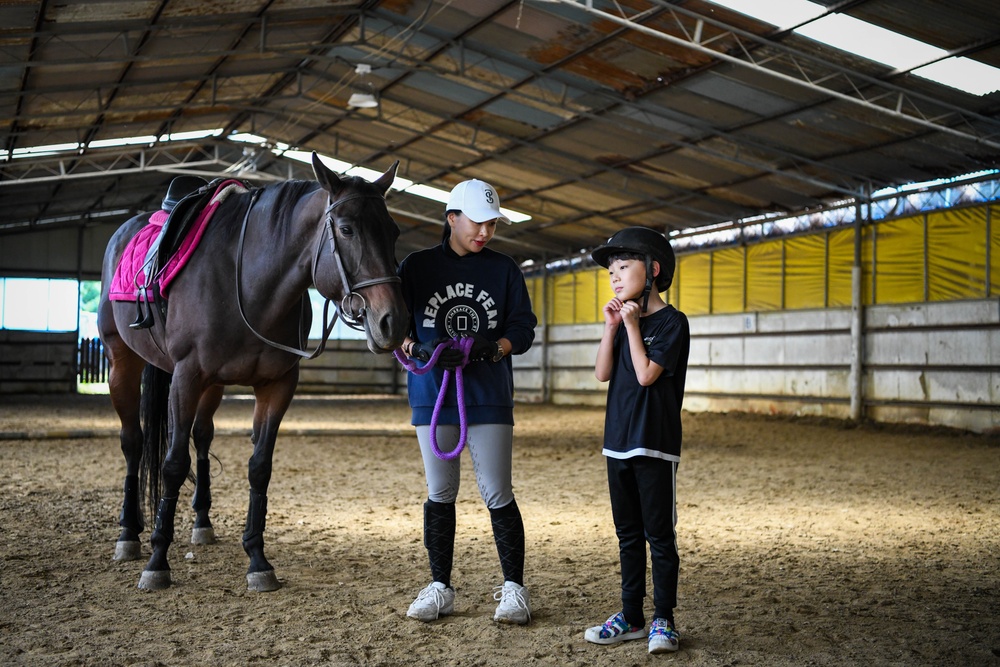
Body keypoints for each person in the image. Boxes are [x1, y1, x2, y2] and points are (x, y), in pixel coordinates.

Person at [396, 178, 537, 625]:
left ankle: (514, 589)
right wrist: (417, 348)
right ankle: (441, 586)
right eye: (478, 223)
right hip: (432, 395)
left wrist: (493, 349)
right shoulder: (416, 268)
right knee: (440, 492)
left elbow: (523, 327)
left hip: (488, 394)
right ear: (452, 218)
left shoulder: (504, 269)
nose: (485, 233)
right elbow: (392, 327)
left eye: (492, 225)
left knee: (498, 491)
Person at [584, 226, 689, 655]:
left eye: (624, 266)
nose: (615, 276)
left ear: (654, 269)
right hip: (617, 441)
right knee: (627, 533)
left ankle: (664, 619)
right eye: (611, 270)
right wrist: (612, 327)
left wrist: (630, 326)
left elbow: (646, 374)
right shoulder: (624, 320)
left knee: (659, 535)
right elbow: (602, 373)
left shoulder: (673, 322)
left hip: (654, 444)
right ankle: (630, 616)